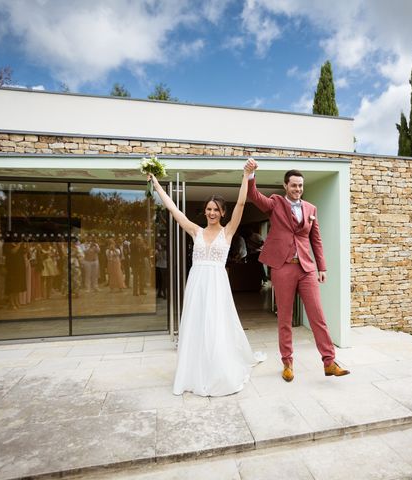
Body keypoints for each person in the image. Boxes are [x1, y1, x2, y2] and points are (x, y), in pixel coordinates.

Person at [148, 165, 265, 397]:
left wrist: (245, 176)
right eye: (208, 209)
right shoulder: (196, 231)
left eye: (216, 209)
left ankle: (217, 370)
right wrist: (158, 185)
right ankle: (193, 371)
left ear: (223, 213)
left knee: (216, 326)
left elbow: (241, 204)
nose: (211, 213)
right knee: (196, 325)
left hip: (217, 284)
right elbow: (174, 210)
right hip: (197, 284)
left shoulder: (228, 232)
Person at [245, 157, 349, 382]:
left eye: (300, 186)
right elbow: (254, 196)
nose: (297, 189)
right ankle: (287, 363)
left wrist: (322, 266)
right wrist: (251, 175)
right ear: (285, 186)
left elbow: (316, 239)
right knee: (284, 317)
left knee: (317, 315)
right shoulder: (275, 203)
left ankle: (329, 361)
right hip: (283, 267)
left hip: (306, 268)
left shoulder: (311, 208)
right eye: (293, 185)